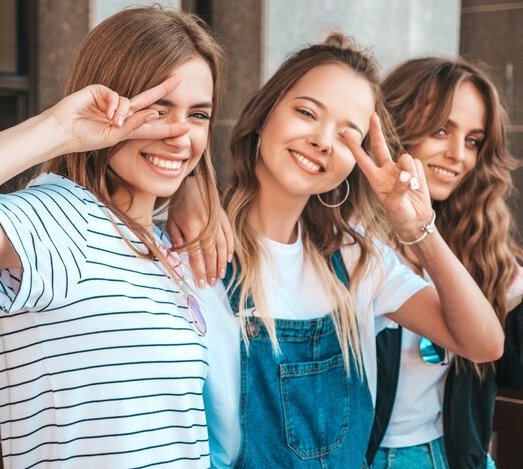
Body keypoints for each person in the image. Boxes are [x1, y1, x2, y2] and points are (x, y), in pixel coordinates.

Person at [0, 6, 225, 468]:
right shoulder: (67, 220)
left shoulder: (160, 245)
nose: (178, 133)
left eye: (198, 114)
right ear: (110, 104)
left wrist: (195, 188)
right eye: (156, 109)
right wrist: (58, 129)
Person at [166, 34, 504, 467]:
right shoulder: (189, 248)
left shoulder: (355, 258)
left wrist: (421, 228)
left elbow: (483, 343)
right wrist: (187, 183)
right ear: (265, 111)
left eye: (348, 135)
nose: (323, 141)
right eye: (307, 112)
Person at [366, 57, 523, 469]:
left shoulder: (484, 249)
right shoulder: (349, 239)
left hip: (453, 457)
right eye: (441, 130)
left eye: (473, 141)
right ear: (397, 126)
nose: (458, 156)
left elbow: (507, 370)